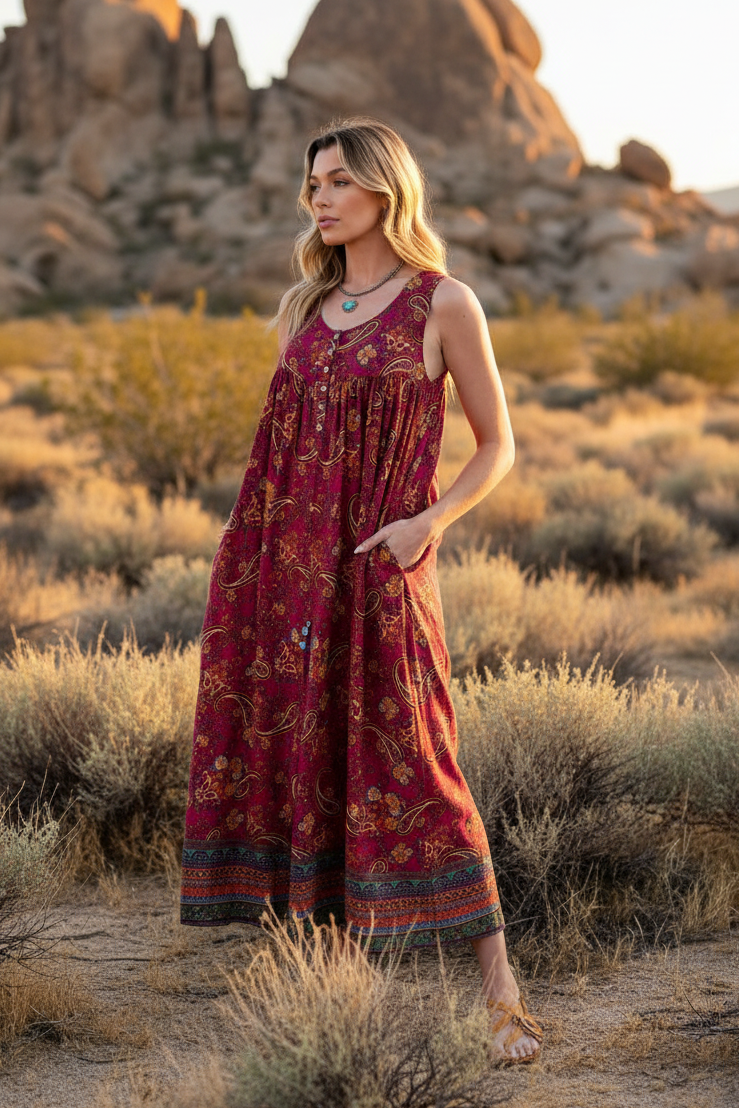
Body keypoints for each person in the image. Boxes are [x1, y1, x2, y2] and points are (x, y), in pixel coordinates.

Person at [181, 117, 542, 1064]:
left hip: (384, 565)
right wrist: (247, 559)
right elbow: (281, 447)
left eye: (338, 180)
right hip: (283, 569)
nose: (321, 198)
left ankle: (500, 987)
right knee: (307, 756)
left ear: (385, 188)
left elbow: (497, 444)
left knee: (419, 758)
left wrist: (431, 521)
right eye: (313, 185)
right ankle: (332, 972)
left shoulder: (442, 302)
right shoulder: (306, 306)